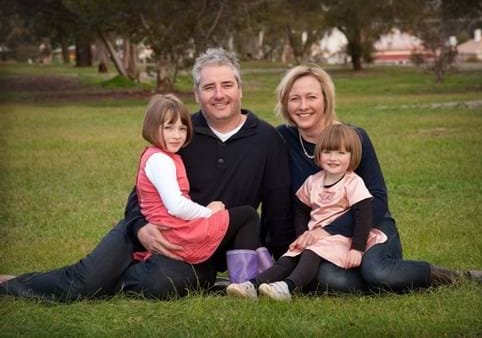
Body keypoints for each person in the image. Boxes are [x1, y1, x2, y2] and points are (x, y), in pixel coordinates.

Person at [0, 48, 293, 301]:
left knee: (160, 283)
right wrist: (141, 228)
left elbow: (276, 211)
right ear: (196, 93)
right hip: (147, 229)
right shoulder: (180, 132)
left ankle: (115, 279)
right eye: (209, 87)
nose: (219, 95)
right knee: (85, 282)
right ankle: (13, 284)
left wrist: (278, 271)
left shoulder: (266, 140)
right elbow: (138, 197)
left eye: (227, 85)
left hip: (197, 250)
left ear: (240, 89)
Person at [272, 64, 482, 294]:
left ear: (325, 99)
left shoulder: (354, 138)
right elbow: (277, 198)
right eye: (294, 98)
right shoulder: (281, 139)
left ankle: (459, 277)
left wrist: (329, 230)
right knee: (328, 278)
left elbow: (378, 198)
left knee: (378, 273)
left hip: (370, 225)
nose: (303, 106)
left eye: (311, 97)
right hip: (323, 243)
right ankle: (387, 279)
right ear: (285, 102)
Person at [226, 123, 387, 300]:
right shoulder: (313, 181)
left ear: (352, 156)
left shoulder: (353, 183)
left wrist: (357, 249)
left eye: (341, 153)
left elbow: (363, 216)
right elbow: (301, 209)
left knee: (311, 252)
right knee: (290, 256)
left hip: (341, 238)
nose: (333, 158)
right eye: (328, 152)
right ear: (319, 154)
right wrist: (302, 235)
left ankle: (287, 288)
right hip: (315, 236)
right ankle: (252, 285)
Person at [132, 93, 260, 269]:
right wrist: (208, 212)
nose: (177, 135)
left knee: (242, 215)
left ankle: (259, 270)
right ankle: (246, 278)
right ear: (152, 127)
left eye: (182, 129)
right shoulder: (160, 160)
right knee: (248, 215)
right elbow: (176, 205)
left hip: (173, 230)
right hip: (177, 233)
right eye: (169, 128)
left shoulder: (161, 156)